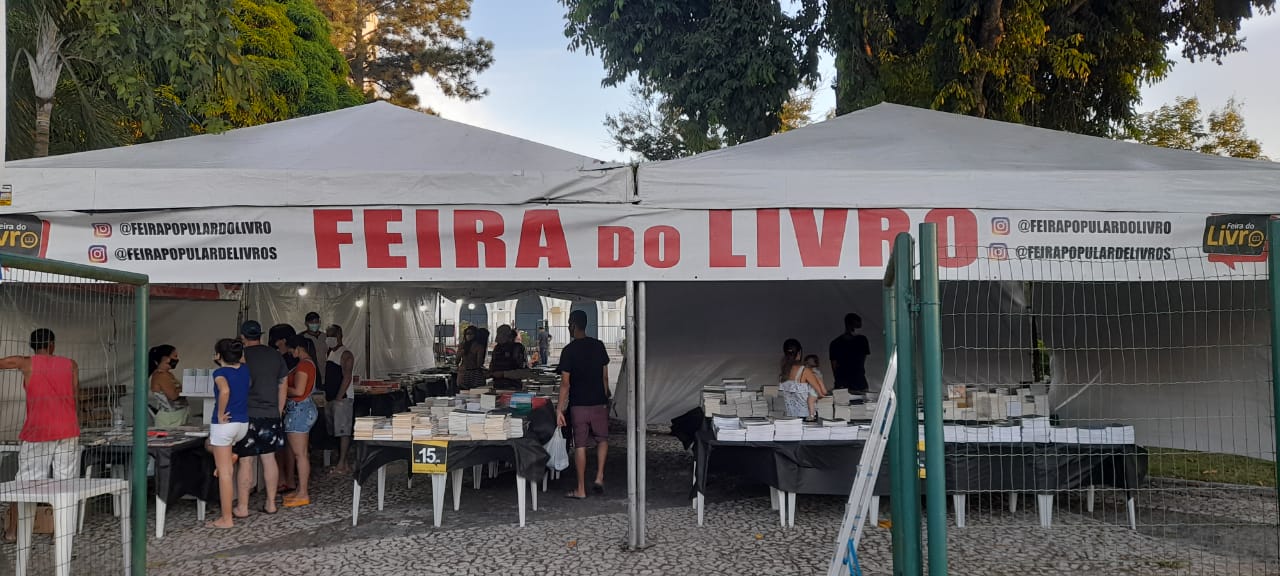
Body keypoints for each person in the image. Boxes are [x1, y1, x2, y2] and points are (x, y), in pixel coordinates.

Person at [0, 329, 80, 482]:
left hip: (39, 429)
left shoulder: (26, 363)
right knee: (66, 483)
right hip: (68, 429)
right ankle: (63, 506)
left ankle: (27, 507)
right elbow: (75, 398)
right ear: (52, 345)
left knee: (29, 483)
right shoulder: (71, 365)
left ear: (32, 346)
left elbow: (3, 363)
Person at [235, 320, 288, 517]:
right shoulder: (275, 355)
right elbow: (283, 384)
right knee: (269, 459)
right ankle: (271, 503)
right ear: (261, 335)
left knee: (246, 461)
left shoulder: (241, 357)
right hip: (270, 413)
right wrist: (279, 410)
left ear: (242, 337)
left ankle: (242, 507)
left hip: (246, 415)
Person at [556, 310, 611, 499]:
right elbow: (605, 377)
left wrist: (559, 409)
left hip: (578, 404)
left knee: (580, 444)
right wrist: (605, 398)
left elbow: (565, 383)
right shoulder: (599, 346)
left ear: (572, 324)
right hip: (599, 402)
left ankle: (581, 489)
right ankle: (599, 477)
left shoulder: (569, 351)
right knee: (602, 439)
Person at [206, 338, 251, 529]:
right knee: (210, 445)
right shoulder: (245, 369)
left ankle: (226, 518)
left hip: (225, 425)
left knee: (225, 474)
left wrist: (220, 413)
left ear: (218, 356)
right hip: (242, 424)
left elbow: (224, 391)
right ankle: (230, 456)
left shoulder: (219, 372)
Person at [280, 336, 318, 507]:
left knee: (300, 454)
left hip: (299, 410)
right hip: (303, 409)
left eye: (291, 349)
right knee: (301, 453)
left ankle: (303, 492)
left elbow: (298, 390)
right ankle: (301, 490)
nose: (289, 352)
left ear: (298, 348)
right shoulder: (308, 363)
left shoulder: (304, 365)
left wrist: (281, 388)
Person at [324, 324, 356, 475]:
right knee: (335, 431)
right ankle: (343, 462)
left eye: (330, 335)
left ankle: (342, 463)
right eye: (327, 335)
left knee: (343, 431)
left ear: (339, 336)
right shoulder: (330, 353)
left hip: (342, 399)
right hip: (332, 398)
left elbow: (347, 377)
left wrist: (338, 398)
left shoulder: (346, 354)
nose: (328, 338)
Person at [779, 339, 826, 419]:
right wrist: (818, 379)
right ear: (799, 353)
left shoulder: (784, 373)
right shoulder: (805, 371)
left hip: (790, 417)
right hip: (806, 416)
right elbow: (821, 393)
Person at [829, 313, 872, 393]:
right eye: (858, 326)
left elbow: (834, 366)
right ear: (850, 325)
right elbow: (863, 360)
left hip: (853, 382)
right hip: (852, 382)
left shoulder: (836, 343)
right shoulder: (861, 340)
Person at [148, 344, 189, 428]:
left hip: (176, 417)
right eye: (175, 356)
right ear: (165, 358)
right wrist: (183, 388)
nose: (177, 359)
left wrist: (181, 389)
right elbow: (173, 396)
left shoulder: (168, 374)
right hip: (169, 419)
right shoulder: (160, 376)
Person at [490, 325, 529, 390]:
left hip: (513, 385)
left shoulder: (517, 348)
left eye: (500, 334)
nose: (497, 337)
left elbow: (523, 371)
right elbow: (492, 364)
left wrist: (503, 374)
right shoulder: (497, 348)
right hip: (498, 385)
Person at [458, 325, 487, 390]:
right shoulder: (478, 347)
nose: (468, 335)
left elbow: (457, 360)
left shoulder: (463, 346)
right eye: (467, 333)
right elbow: (479, 363)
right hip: (470, 373)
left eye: (470, 334)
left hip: (468, 372)